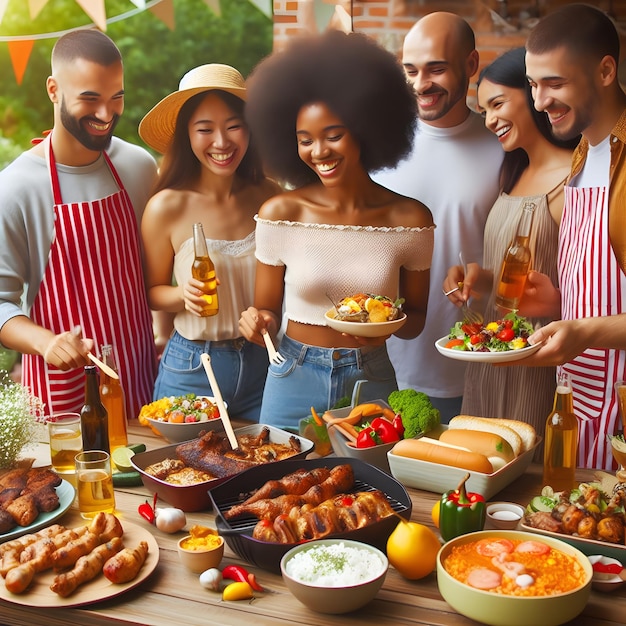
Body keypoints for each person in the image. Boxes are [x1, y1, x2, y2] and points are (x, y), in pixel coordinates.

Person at [238, 30, 435, 432]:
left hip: (371, 375)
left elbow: (415, 320)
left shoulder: (410, 219)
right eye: (304, 140)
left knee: (371, 493)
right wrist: (255, 323)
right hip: (292, 373)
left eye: (333, 135)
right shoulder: (280, 213)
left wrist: (383, 328)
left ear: (365, 127)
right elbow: (266, 311)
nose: (319, 152)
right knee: (277, 485)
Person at [0, 29, 158, 420]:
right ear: (54, 90)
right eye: (90, 99)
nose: (106, 115)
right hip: (63, 398)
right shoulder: (16, 187)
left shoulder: (138, 167)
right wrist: (46, 342)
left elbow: (158, 269)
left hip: (142, 384)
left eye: (116, 98)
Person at [442, 47, 579, 443]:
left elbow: (594, 287)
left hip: (538, 356)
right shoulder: (512, 172)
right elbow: (510, 278)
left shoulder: (574, 180)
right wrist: (477, 278)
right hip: (492, 351)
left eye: (497, 104)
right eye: (483, 110)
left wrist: (555, 304)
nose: (489, 120)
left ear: (534, 94)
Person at [374, 12, 503, 423]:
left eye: (436, 69)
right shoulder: (379, 148)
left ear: (470, 65)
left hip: (479, 368)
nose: (420, 84)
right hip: (382, 368)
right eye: (410, 70)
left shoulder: (505, 148)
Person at [138, 64, 279, 421]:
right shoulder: (166, 206)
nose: (221, 142)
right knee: (185, 472)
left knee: (265, 468)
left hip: (263, 362)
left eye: (234, 126)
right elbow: (151, 291)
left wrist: (268, 319)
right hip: (192, 368)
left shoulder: (270, 196)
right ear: (187, 135)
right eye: (205, 129)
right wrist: (182, 295)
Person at [522, 4, 626, 469]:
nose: (540, 101)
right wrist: (561, 302)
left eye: (554, 83)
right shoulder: (584, 154)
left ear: (605, 70)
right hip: (577, 402)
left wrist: (585, 330)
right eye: (533, 84)